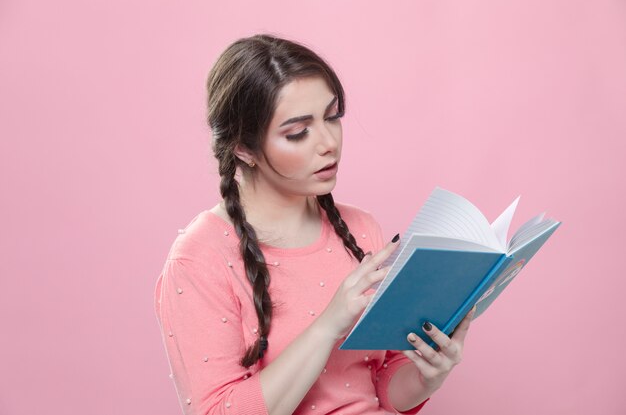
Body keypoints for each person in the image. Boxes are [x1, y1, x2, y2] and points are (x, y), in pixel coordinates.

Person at [154, 34, 475, 415]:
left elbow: (379, 386)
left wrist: (427, 377)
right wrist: (327, 326)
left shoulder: (360, 229)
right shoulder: (199, 260)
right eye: (298, 132)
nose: (328, 142)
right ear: (243, 147)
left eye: (333, 116)